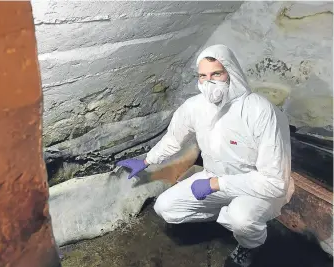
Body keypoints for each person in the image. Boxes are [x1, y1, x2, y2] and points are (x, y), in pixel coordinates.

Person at [116, 44, 294, 267]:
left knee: (242, 218)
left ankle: (250, 245)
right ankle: (224, 214)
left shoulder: (259, 110)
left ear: (231, 73)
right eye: (203, 76)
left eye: (216, 74)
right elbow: (173, 139)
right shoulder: (195, 107)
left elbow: (275, 182)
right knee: (165, 207)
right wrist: (146, 160)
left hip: (254, 185)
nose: (209, 82)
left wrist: (216, 184)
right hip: (213, 177)